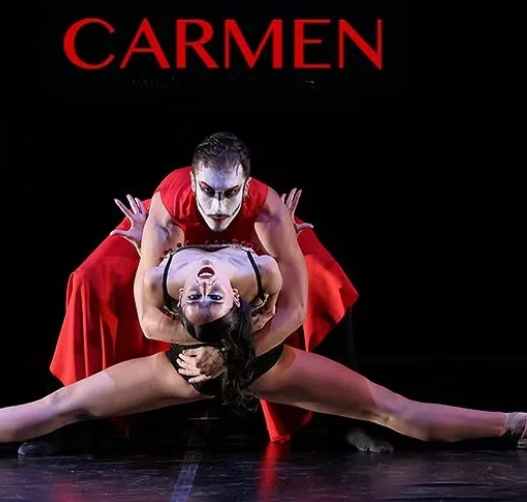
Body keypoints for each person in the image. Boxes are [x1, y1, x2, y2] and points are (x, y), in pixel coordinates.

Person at [0, 238, 527, 455]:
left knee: (394, 410)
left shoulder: (174, 289)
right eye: (205, 291)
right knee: (56, 410)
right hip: (240, 365)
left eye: (207, 289)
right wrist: (281, 238)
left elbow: (159, 291)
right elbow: (287, 288)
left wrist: (144, 241)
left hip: (225, 364)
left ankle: (525, 425)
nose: (208, 283)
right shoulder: (249, 288)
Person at [33, 132, 368, 454]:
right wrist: (222, 344)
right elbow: (149, 319)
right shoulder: (167, 212)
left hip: (250, 238)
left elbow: (295, 310)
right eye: (208, 191)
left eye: (230, 193)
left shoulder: (269, 213)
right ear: (194, 183)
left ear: (245, 188)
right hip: (176, 241)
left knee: (325, 278)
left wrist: (228, 355)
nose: (218, 207)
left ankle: (350, 418)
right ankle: (70, 425)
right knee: (91, 278)